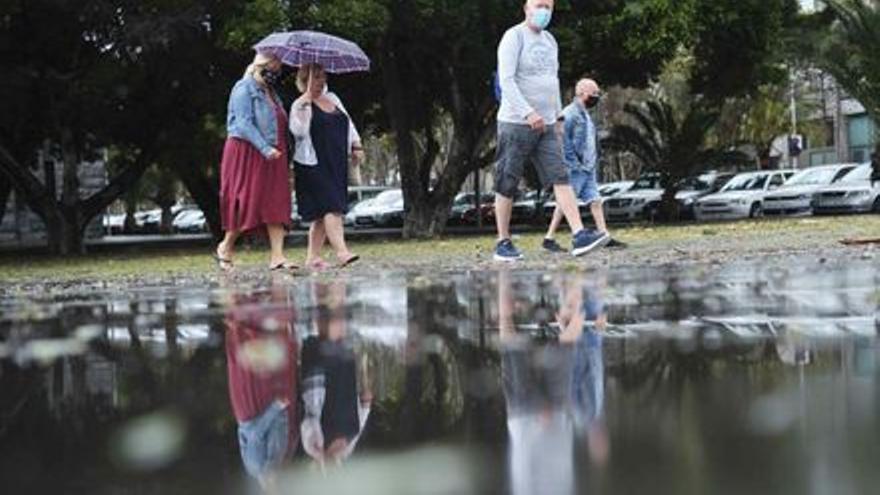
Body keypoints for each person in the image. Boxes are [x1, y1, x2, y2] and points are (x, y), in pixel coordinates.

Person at [493, 0, 606, 261]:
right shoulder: (514, 36)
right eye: (539, 4)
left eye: (549, 6)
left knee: (561, 176)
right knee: (507, 180)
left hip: (546, 124)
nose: (544, 10)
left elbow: (553, 81)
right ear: (526, 7)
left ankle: (579, 235)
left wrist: (557, 118)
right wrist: (527, 112)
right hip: (516, 122)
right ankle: (503, 241)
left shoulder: (550, 41)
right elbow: (506, 80)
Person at [216, 52, 296, 272]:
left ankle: (277, 257)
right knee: (247, 201)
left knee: (276, 200)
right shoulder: (243, 88)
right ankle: (226, 246)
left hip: (274, 154)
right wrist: (264, 147)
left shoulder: (271, 92)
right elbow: (242, 123)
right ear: (263, 63)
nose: (278, 68)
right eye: (275, 63)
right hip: (248, 151)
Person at [290, 63, 364, 270]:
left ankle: (312, 257)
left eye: (322, 76)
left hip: (336, 160)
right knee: (332, 206)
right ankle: (342, 252)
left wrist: (356, 145)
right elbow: (298, 132)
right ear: (304, 81)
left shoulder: (333, 99)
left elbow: (348, 124)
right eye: (315, 77)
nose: (321, 81)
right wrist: (304, 105)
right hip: (313, 163)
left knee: (323, 215)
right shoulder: (299, 104)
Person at [225, 287, 299, 492]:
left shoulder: (256, 467)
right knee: (278, 345)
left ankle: (238, 291)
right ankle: (271, 291)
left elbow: (254, 433)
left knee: (252, 348)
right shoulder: (279, 463)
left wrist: (276, 407)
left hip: (254, 406)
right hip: (275, 402)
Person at [300, 282, 372, 467]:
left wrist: (320, 456)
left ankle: (327, 278)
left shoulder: (314, 445)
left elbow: (307, 423)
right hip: (345, 379)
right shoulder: (348, 450)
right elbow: (365, 406)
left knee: (326, 318)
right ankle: (333, 278)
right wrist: (366, 395)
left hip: (323, 378)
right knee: (334, 322)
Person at [543, 79, 614, 253]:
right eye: (594, 93)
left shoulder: (585, 114)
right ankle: (549, 237)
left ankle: (604, 236)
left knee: (595, 201)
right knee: (567, 202)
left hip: (588, 167)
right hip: (576, 168)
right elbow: (563, 141)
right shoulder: (570, 113)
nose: (596, 96)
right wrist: (573, 164)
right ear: (582, 92)